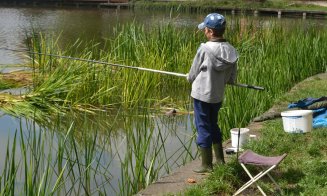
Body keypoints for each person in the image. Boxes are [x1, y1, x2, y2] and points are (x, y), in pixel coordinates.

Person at [187, 13, 238, 173]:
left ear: (209, 31)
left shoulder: (204, 48)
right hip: (217, 96)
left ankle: (206, 165)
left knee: (202, 126)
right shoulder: (231, 50)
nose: (204, 32)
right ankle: (220, 160)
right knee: (213, 124)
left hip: (201, 95)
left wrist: (189, 78)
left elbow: (193, 72)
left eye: (205, 30)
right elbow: (232, 77)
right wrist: (229, 80)